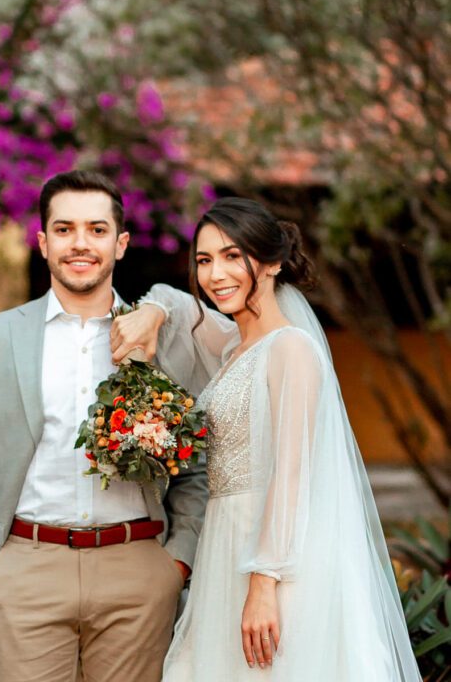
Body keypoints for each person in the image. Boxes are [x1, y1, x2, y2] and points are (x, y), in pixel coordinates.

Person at [110, 197, 422, 681]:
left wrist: (264, 581)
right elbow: (174, 302)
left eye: (234, 256)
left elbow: (291, 474)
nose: (216, 275)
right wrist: (151, 311)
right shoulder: (234, 345)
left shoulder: (290, 348)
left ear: (273, 262)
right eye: (205, 260)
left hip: (274, 559)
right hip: (224, 544)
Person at [0, 170, 208, 682]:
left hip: (140, 570)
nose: (80, 244)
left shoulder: (162, 339)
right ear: (42, 242)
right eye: (64, 230)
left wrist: (177, 564)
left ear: (121, 243)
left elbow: (195, 461)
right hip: (25, 570)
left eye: (96, 229)